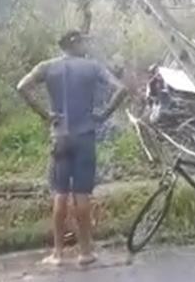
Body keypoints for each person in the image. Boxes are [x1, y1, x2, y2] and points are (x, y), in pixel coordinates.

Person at [16, 30, 126, 266]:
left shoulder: (47, 67)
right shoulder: (93, 67)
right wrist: (104, 114)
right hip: (85, 135)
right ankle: (85, 252)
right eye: (84, 41)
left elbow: (22, 87)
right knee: (82, 195)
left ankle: (57, 254)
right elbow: (122, 89)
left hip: (60, 137)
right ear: (74, 44)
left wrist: (46, 115)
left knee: (60, 195)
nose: (87, 44)